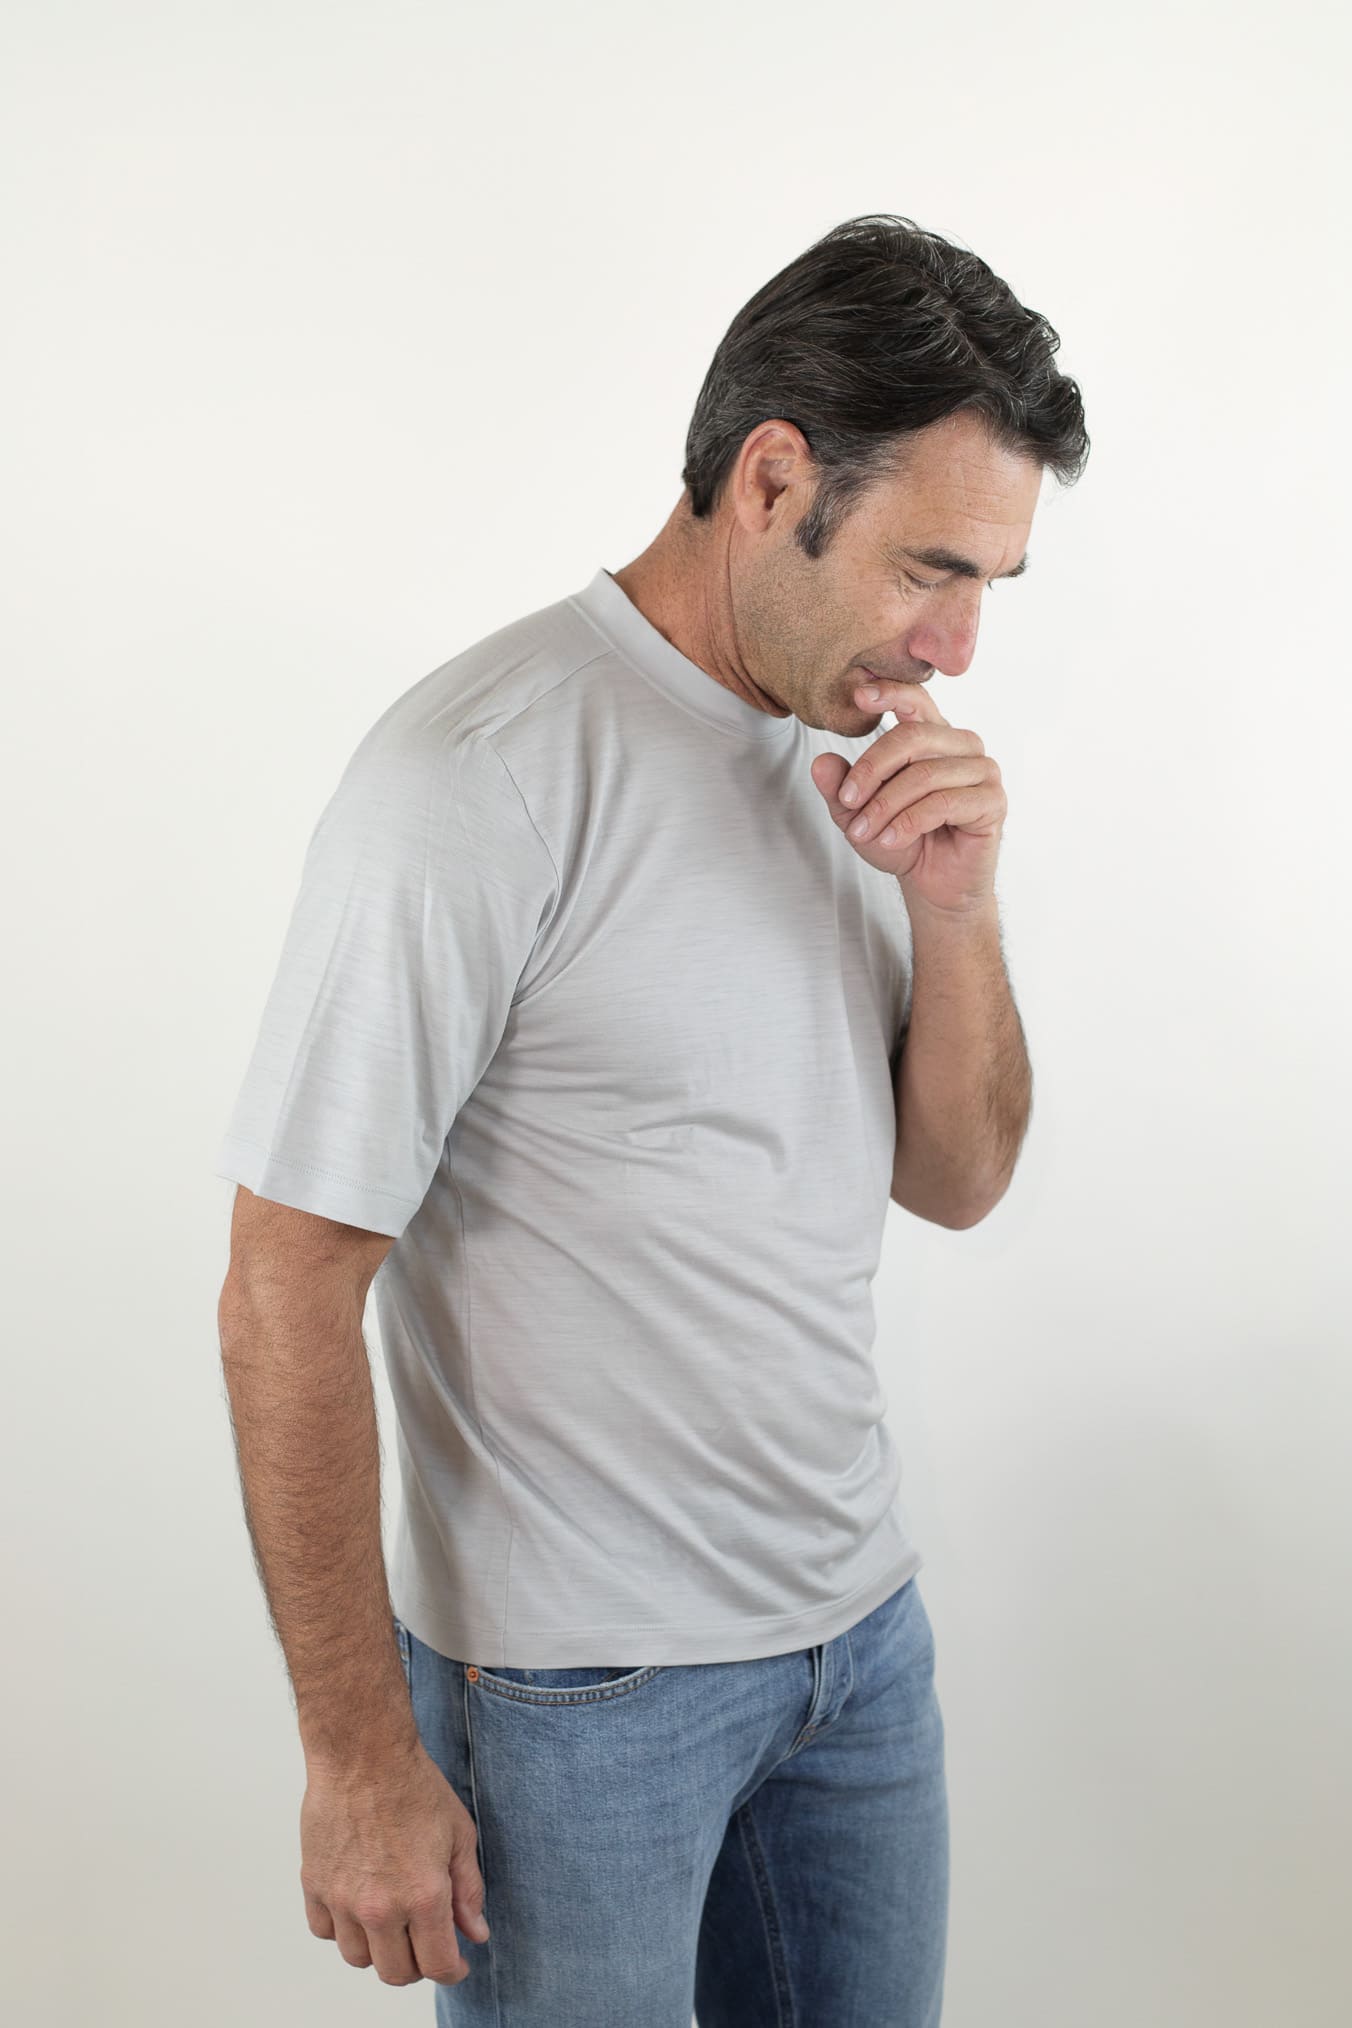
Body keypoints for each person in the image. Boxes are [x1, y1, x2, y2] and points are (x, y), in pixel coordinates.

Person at [214, 210, 1088, 2025]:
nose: (957, 644)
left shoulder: (849, 750)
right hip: (578, 1698)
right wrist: (357, 1756)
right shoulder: (481, 777)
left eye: (994, 583)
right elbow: (286, 1282)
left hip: (860, 1655)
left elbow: (958, 1181)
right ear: (773, 480)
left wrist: (957, 911)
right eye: (932, 567)